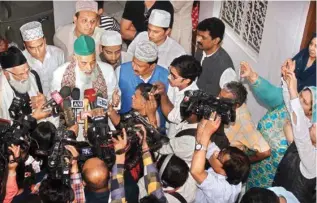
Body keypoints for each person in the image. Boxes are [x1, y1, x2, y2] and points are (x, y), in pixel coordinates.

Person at [239, 61, 315, 190]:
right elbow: (281, 94)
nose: (299, 100)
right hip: (253, 163)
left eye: (305, 102)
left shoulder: (309, 133)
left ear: (311, 111)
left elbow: (299, 154)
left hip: (270, 182)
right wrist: (287, 79)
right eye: (300, 96)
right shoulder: (289, 106)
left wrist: (290, 137)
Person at [50, 35, 119, 140]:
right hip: (73, 128)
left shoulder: (107, 70)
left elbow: (114, 104)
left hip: (100, 127)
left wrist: (114, 103)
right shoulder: (60, 73)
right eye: (84, 63)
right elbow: (55, 103)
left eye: (92, 62)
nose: (89, 68)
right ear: (75, 57)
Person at [272, 70, 316, 203]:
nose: (315, 125)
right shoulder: (309, 128)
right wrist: (287, 81)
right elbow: (293, 109)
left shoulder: (314, 159)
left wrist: (292, 89)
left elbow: (301, 136)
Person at [191, 116, 250, 203]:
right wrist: (206, 119)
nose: (215, 153)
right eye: (222, 151)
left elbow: (196, 171)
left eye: (219, 157)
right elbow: (201, 138)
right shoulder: (230, 165)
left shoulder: (221, 189)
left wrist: (207, 133)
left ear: (224, 172)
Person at [110, 126, 167, 203]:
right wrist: (144, 148)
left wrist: (120, 155)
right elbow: (155, 188)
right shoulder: (159, 200)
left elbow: (117, 196)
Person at [219, 81, 271, 163]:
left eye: (223, 100)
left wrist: (241, 163)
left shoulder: (243, 123)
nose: (218, 100)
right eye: (219, 96)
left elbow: (265, 152)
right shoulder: (231, 106)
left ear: (236, 105)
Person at [116, 40, 168, 118]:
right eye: (133, 62)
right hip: (125, 124)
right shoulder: (121, 70)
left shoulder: (166, 76)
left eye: (139, 66)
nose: (134, 67)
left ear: (152, 66)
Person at [153, 55, 201, 138]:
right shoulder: (174, 84)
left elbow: (172, 116)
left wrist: (163, 94)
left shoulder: (192, 98)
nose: (168, 77)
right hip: (168, 130)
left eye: (173, 76)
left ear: (187, 80)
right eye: (170, 73)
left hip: (179, 137)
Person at [0, 46, 50, 121]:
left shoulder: (33, 76)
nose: (26, 76)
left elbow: (43, 106)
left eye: (27, 70)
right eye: (21, 74)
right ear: (6, 73)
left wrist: (44, 102)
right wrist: (33, 119)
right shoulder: (2, 92)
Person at [195, 17, 237, 96]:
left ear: (216, 40)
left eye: (203, 37)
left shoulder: (225, 68)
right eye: (198, 35)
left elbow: (230, 98)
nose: (198, 40)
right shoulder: (201, 49)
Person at [20, 21, 65, 95]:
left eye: (40, 45)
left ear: (44, 41)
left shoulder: (58, 53)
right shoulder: (20, 61)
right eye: (32, 48)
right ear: (25, 46)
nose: (37, 52)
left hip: (56, 99)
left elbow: (63, 80)